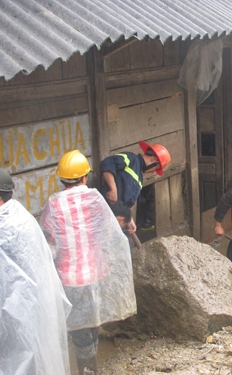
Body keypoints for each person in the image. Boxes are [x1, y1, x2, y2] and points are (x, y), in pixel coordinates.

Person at [41, 150, 137, 375]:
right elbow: (108, 230)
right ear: (84, 177)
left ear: (62, 179)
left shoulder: (53, 205)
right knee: (91, 321)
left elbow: (49, 243)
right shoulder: (94, 198)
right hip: (94, 274)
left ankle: (84, 367)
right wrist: (129, 221)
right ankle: (88, 368)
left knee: (77, 327)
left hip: (68, 279)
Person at [0, 170, 71, 375]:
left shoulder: (6, 226)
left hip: (16, 310)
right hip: (29, 306)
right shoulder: (21, 216)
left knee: (20, 360)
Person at [100, 140, 171, 233]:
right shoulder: (131, 158)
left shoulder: (140, 179)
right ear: (154, 160)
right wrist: (113, 189)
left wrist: (129, 218)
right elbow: (107, 163)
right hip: (106, 213)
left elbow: (128, 203)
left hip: (119, 220)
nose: (153, 171)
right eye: (156, 168)